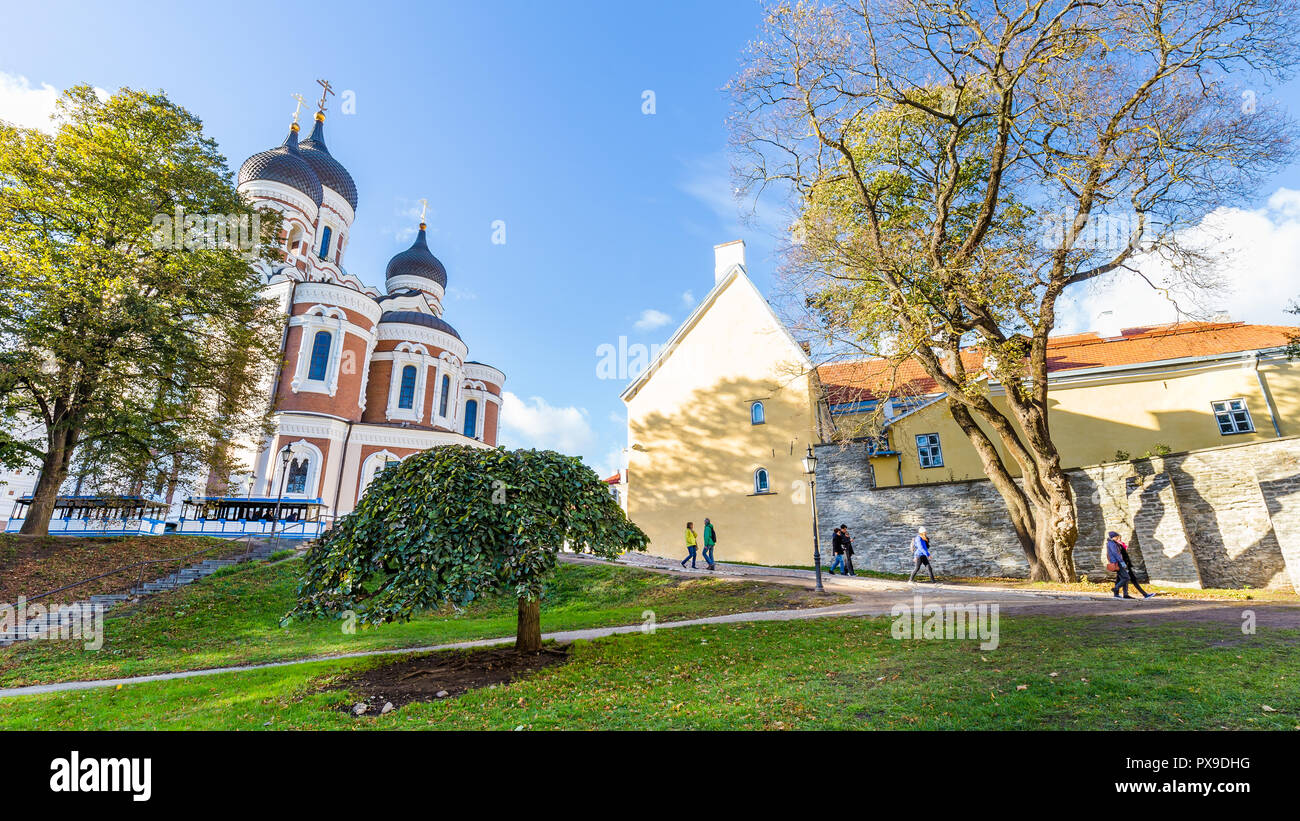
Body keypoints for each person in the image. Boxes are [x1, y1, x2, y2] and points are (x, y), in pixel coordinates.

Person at [1106, 531, 1135, 599]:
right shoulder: (1112, 543)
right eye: (1116, 537)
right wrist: (1122, 562)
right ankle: (1116, 588)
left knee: (1122, 578)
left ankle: (1124, 594)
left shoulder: (1113, 543)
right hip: (1117, 562)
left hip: (1117, 562)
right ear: (1113, 537)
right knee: (1126, 577)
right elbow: (1116, 554)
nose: (1117, 538)